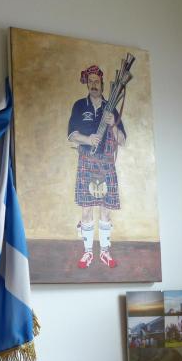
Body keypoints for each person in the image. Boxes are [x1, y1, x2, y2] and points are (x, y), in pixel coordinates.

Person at [67, 64, 127, 269]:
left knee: (106, 211)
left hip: (106, 163)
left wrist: (113, 124)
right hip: (87, 161)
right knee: (86, 211)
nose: (94, 85)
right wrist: (87, 139)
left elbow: (122, 140)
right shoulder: (79, 106)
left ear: (102, 84)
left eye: (97, 81)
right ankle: (87, 253)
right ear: (87, 84)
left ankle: (104, 252)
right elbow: (71, 135)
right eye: (90, 81)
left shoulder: (111, 107)